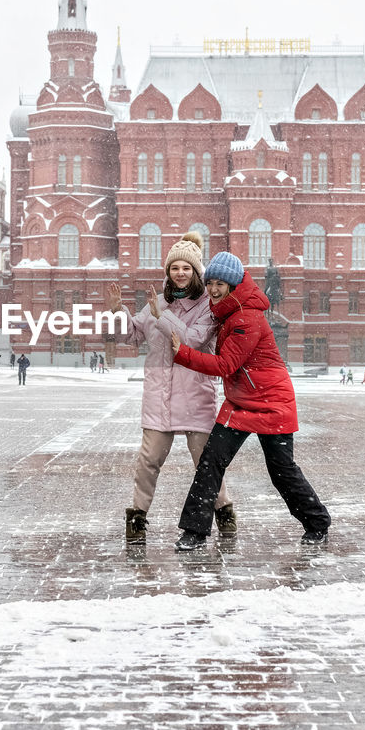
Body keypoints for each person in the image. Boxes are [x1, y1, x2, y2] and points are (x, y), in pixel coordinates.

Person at [171, 251, 331, 550]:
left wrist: (182, 353)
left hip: (272, 402)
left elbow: (225, 364)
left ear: (233, 285)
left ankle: (317, 522)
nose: (214, 290)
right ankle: (195, 531)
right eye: (211, 283)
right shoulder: (228, 312)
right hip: (240, 401)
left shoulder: (247, 317)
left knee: (282, 471)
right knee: (210, 463)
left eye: (220, 284)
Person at [110, 231, 233, 545]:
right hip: (159, 397)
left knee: (205, 464)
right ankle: (137, 519)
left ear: (196, 272)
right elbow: (131, 335)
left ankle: (224, 512)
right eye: (174, 268)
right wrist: (116, 313)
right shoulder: (158, 301)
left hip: (195, 396)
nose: (180, 273)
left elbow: (191, 340)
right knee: (148, 462)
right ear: (168, 272)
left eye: (186, 268)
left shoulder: (208, 307)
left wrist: (160, 316)